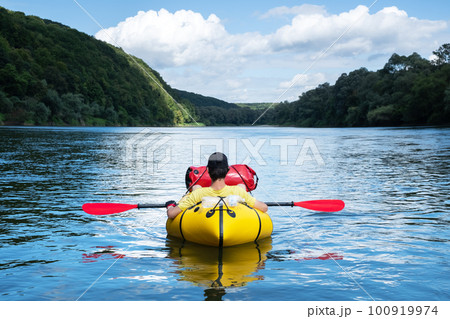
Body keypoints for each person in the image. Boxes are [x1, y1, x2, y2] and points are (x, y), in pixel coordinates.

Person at [166, 152, 268, 219]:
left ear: (208, 171)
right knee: (242, 185)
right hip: (234, 209)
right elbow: (264, 208)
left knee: (196, 187)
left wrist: (170, 206)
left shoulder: (197, 194)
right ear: (228, 171)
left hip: (203, 206)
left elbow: (171, 214)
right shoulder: (238, 191)